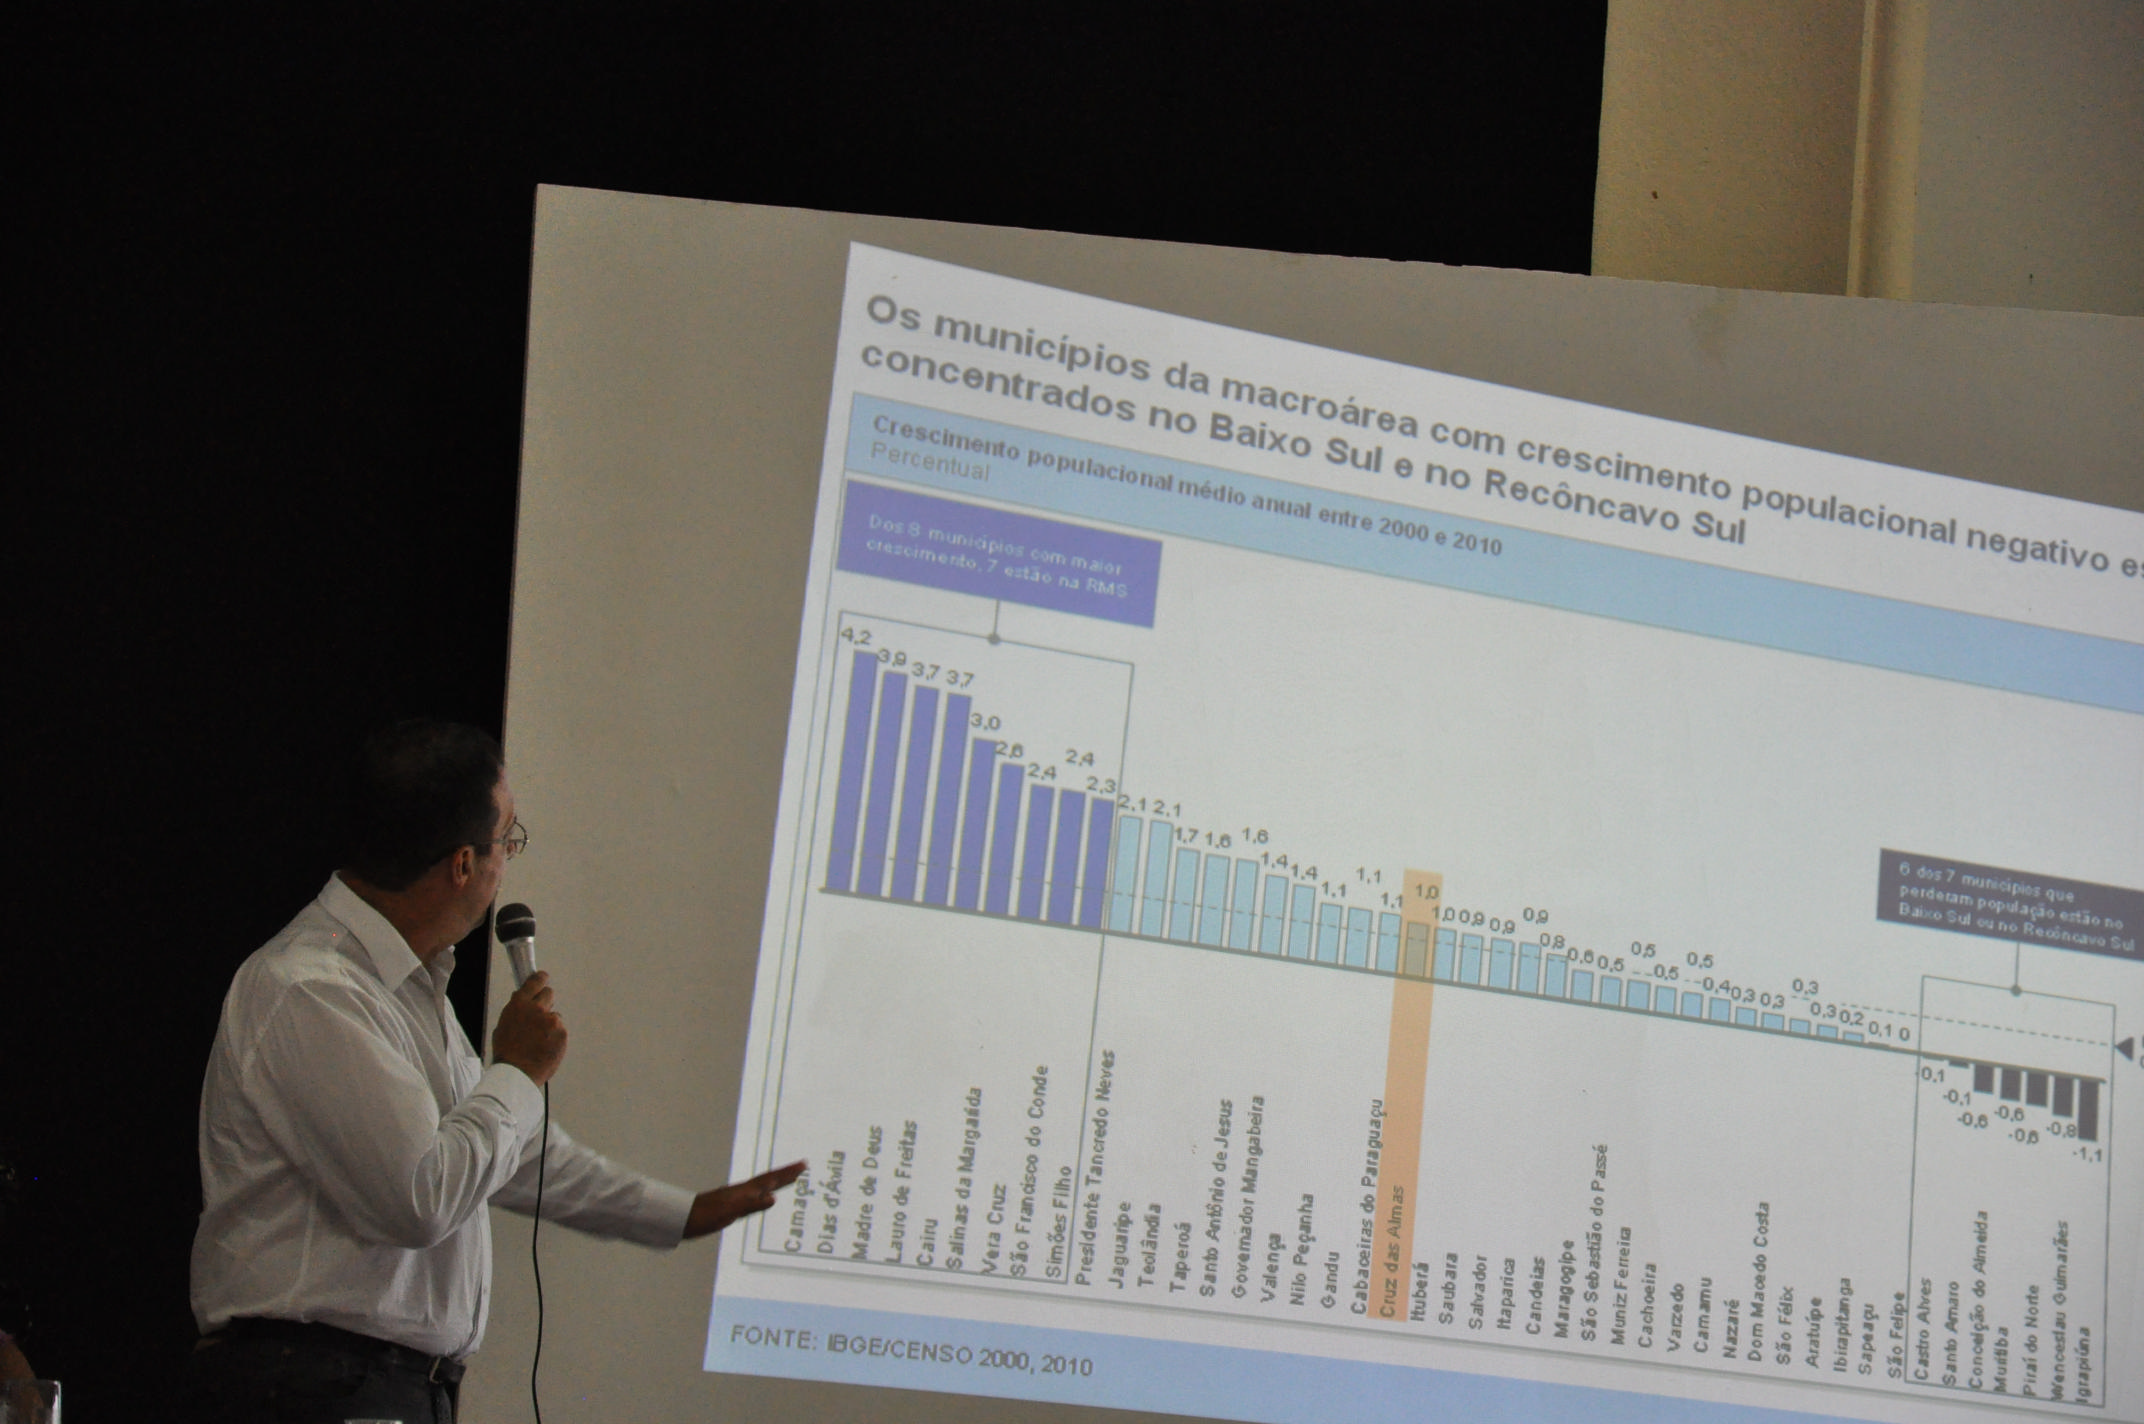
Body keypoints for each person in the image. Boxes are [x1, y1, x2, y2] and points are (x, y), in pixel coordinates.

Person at [184, 719, 802, 1423]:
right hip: (312, 1386)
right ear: (462, 865)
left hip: (377, 1388)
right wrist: (514, 1070)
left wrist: (681, 1213)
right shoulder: (312, 988)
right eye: (509, 838)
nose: (510, 857)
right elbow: (419, 1197)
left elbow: (511, 1155)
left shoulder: (403, 987)